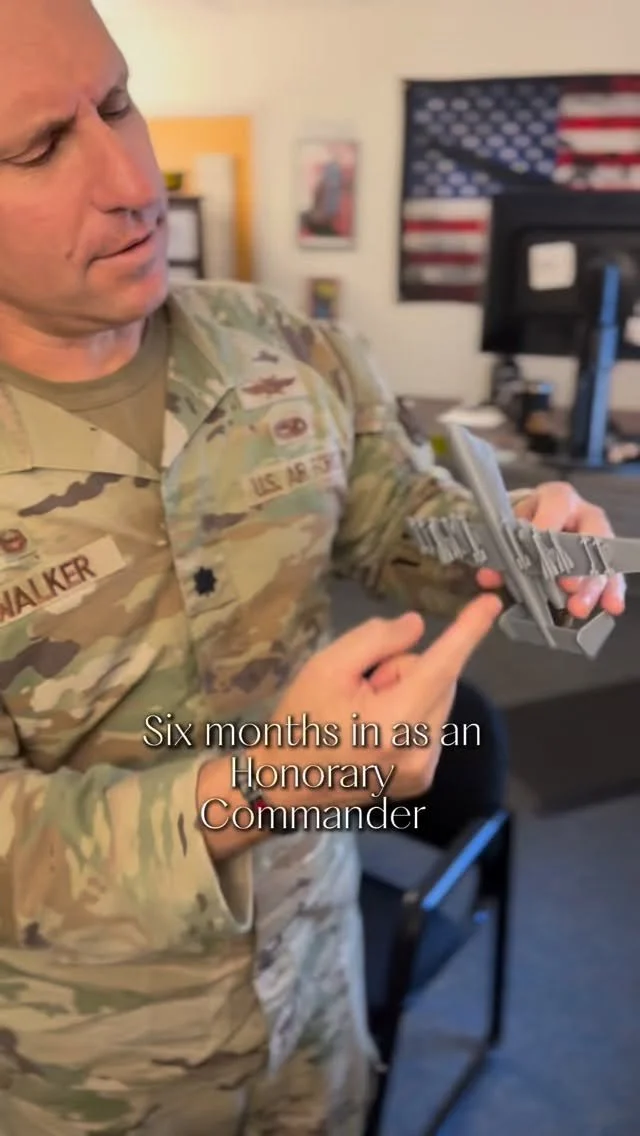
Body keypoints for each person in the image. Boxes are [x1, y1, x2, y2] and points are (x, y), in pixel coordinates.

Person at [0, 2, 626, 1133]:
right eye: (40, 146)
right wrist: (266, 782)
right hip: (91, 1062)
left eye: (119, 103)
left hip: (313, 986)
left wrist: (518, 542)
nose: (132, 180)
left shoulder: (284, 346)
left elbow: (397, 518)